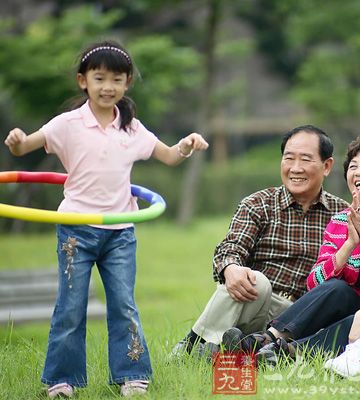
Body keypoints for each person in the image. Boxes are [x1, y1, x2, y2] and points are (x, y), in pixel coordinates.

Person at [4, 40, 208, 398]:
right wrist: (18, 141)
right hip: (75, 231)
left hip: (120, 233)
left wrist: (186, 146)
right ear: (83, 81)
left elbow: (169, 156)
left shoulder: (132, 129)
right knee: (70, 306)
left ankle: (132, 374)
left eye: (117, 79)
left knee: (123, 304)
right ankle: (61, 380)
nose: (108, 87)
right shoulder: (67, 124)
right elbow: (26, 147)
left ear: (127, 83)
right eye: (100, 78)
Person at [172, 125, 348, 357]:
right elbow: (231, 247)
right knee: (256, 280)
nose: (295, 168)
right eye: (289, 158)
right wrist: (231, 268)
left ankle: (227, 348)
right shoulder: (259, 203)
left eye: (305, 159)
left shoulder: (343, 215)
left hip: (301, 315)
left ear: (327, 166)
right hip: (255, 302)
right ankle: (195, 345)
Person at [230, 131, 360, 366]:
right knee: (338, 289)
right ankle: (268, 339)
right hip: (347, 306)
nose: (358, 172)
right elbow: (315, 285)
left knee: (357, 318)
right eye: (353, 167)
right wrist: (349, 244)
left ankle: (288, 353)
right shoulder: (341, 221)